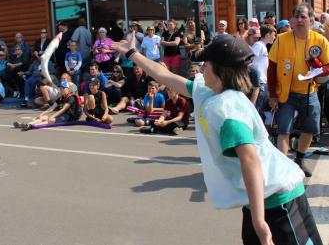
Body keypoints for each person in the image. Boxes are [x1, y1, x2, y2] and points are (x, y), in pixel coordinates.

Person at [112, 32, 322, 245]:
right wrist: (132, 53)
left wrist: (259, 221)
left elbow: (250, 161)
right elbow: (163, 75)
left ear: (220, 71)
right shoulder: (208, 92)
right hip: (258, 199)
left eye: (207, 63)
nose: (202, 67)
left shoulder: (229, 109)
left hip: (280, 200)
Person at [268, 3, 329, 177]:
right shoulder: (281, 39)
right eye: (297, 16)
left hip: (310, 93)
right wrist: (272, 95)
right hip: (285, 94)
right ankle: (282, 167)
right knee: (283, 130)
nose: (300, 20)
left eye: (304, 17)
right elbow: (271, 69)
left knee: (309, 129)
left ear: (311, 20)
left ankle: (299, 161)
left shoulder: (320, 40)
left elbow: (327, 66)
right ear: (292, 20)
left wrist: (316, 65)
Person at [18, 80, 82, 131]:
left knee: (50, 120)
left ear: (68, 89)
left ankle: (32, 126)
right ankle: (27, 124)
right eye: (61, 88)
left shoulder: (71, 97)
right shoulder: (61, 97)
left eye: (63, 88)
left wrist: (53, 116)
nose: (61, 89)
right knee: (43, 117)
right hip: (65, 114)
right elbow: (52, 108)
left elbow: (63, 109)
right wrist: (42, 114)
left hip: (71, 117)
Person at [251, 25, 276, 114]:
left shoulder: (263, 46)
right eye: (273, 34)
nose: (274, 37)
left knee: (261, 110)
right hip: (259, 82)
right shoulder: (259, 45)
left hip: (263, 82)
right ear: (268, 35)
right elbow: (250, 58)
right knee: (256, 110)